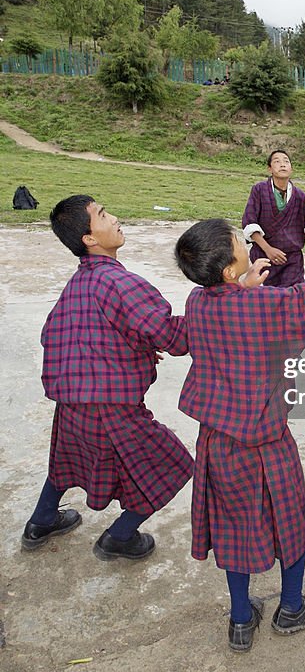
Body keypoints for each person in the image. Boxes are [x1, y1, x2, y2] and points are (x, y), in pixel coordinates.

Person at [174, 215, 305, 653]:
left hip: (217, 441)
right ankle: (291, 608)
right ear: (231, 268)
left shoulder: (198, 300)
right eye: (239, 241)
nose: (244, 242)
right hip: (267, 442)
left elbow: (230, 309)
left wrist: (242, 285)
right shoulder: (264, 308)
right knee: (291, 525)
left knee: (234, 528)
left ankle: (240, 619)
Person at [22, 196, 192, 561]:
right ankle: (120, 536)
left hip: (70, 400)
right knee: (172, 466)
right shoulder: (120, 282)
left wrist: (135, 345)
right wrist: (225, 303)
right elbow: (176, 337)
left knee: (66, 463)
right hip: (112, 406)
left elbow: (56, 333)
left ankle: (41, 522)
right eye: (102, 215)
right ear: (89, 239)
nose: (114, 217)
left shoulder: (79, 282)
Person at [242, 150, 305, 286]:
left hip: (292, 259)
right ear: (269, 168)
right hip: (264, 255)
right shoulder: (259, 190)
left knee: (290, 297)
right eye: (277, 161)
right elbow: (250, 222)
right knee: (266, 297)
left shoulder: (301, 197)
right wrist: (268, 249)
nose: (282, 165)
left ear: (291, 169)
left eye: (286, 161)